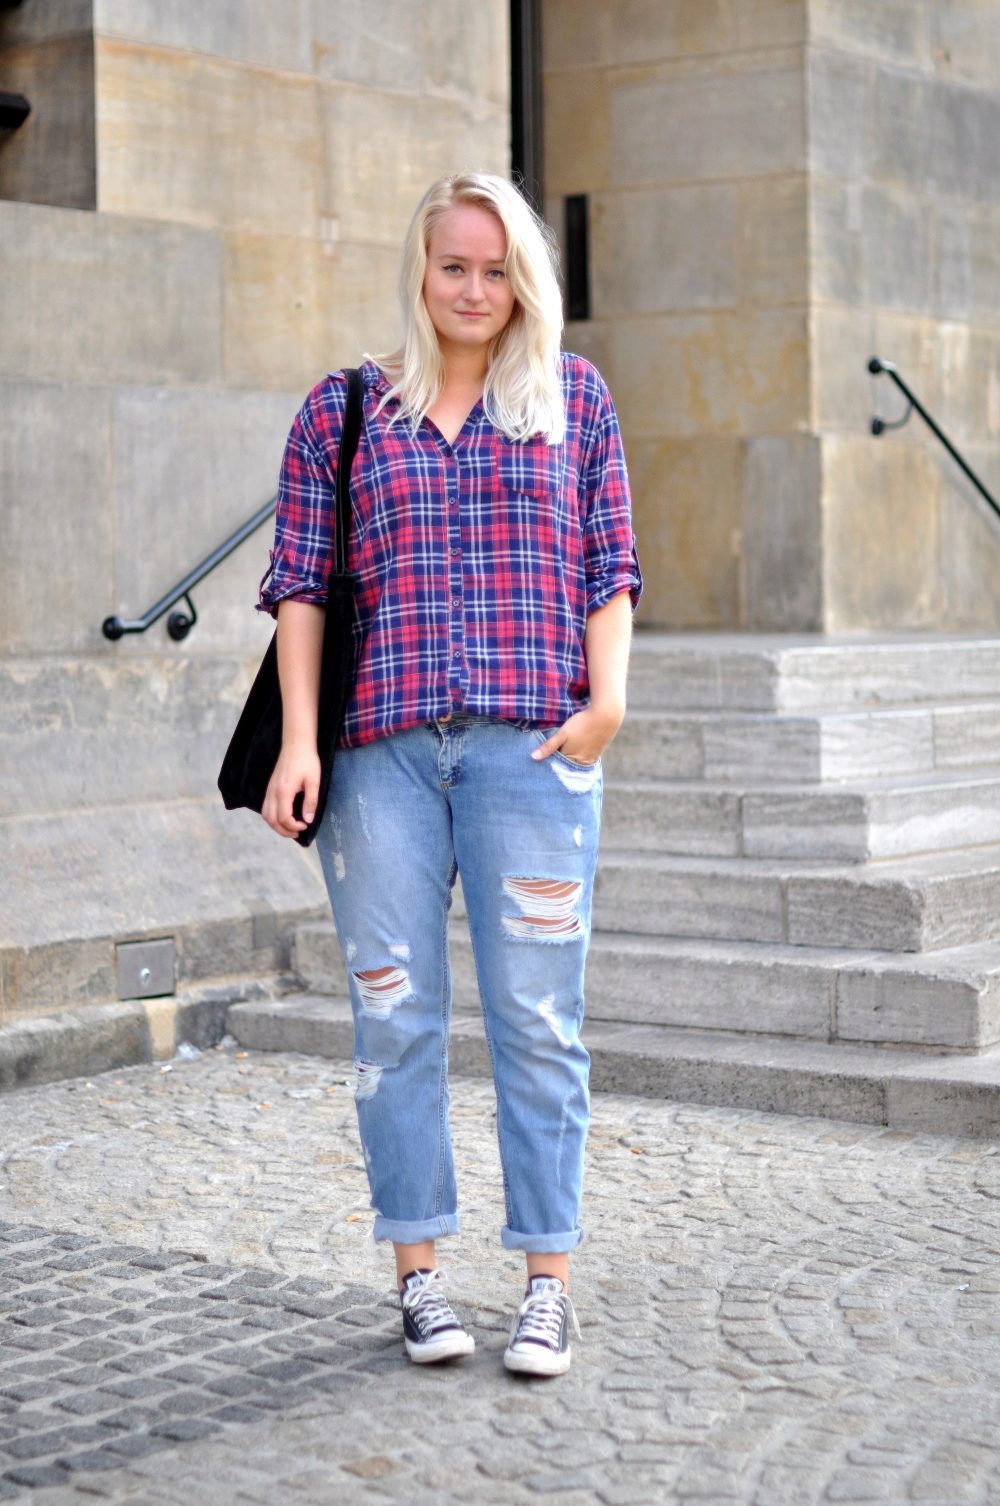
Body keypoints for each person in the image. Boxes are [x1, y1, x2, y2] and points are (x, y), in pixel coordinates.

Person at [256, 172, 642, 1377]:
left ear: (523, 281)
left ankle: (545, 1285)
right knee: (393, 1017)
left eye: (495, 269)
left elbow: (610, 564)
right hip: (379, 763)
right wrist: (300, 742)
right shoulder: (346, 410)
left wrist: (607, 704)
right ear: (420, 272)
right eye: (453, 266)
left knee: (538, 1022)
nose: (473, 290)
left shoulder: (574, 397)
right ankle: (419, 1277)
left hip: (532, 754)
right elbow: (300, 586)